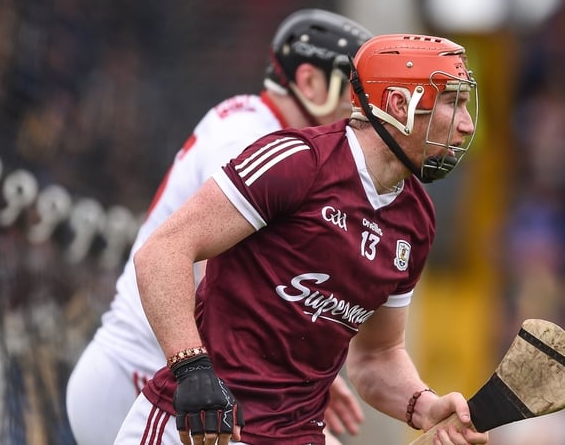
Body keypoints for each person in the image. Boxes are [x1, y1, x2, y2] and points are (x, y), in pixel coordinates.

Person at [116, 32, 490, 445]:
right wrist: (192, 369)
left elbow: (377, 355)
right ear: (400, 104)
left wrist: (422, 405)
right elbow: (163, 250)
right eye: (452, 102)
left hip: (295, 435)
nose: (466, 124)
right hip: (202, 428)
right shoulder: (298, 162)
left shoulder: (416, 221)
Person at [65, 9, 372, 445]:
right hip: (143, 375)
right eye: (352, 88)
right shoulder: (251, 136)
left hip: (163, 373)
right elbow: (226, 270)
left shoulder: (262, 128)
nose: (360, 107)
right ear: (310, 82)